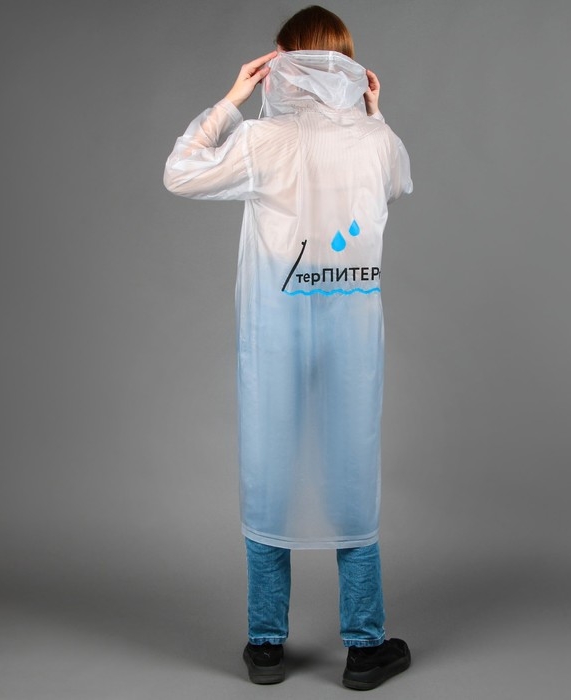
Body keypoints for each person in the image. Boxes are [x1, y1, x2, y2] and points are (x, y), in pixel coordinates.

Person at [163, 5, 412, 691]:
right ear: (347, 66)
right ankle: (364, 647)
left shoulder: (262, 139)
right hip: (350, 333)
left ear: (283, 63)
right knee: (351, 470)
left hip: (274, 332)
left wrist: (230, 100)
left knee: (269, 469)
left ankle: (265, 646)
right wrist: (374, 114)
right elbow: (396, 182)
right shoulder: (374, 143)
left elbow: (180, 172)